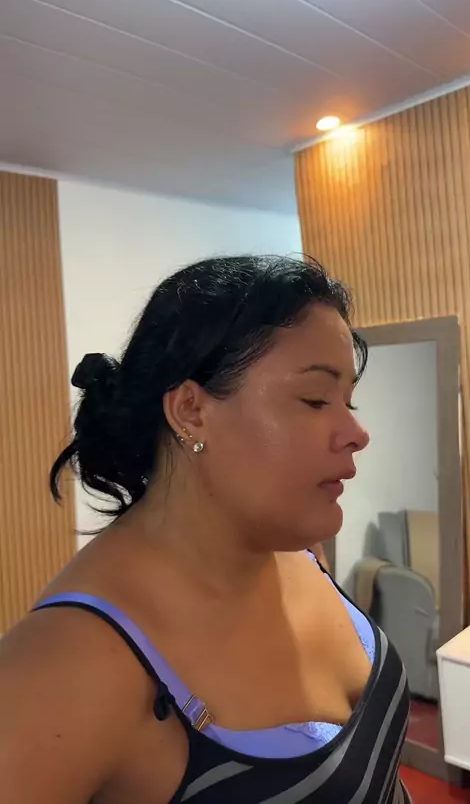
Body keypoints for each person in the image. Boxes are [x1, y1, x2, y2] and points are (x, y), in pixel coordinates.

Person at [0, 255, 410, 803]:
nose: (357, 431)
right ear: (191, 410)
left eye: (348, 401)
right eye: (315, 399)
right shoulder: (62, 669)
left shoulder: (298, 551)